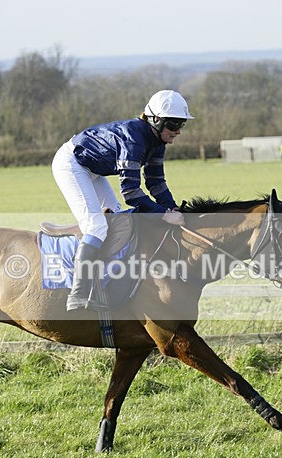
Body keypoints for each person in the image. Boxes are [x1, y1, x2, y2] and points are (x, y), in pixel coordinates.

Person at [51, 89, 194, 311]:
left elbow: (156, 182)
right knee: (96, 225)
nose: (178, 131)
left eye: (181, 125)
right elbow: (131, 193)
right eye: (173, 124)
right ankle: (78, 294)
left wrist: (173, 208)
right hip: (72, 165)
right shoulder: (134, 139)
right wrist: (165, 214)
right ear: (155, 120)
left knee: (118, 222)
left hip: (93, 170)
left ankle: (106, 281)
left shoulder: (157, 142)